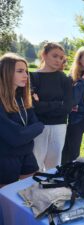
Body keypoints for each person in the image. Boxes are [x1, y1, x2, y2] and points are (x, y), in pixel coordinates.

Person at [0, 53, 44, 187]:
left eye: (25, 71)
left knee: (32, 190)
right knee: (6, 200)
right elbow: (15, 136)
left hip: (27, 153)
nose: (26, 75)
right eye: (20, 71)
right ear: (6, 73)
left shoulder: (21, 98)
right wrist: (36, 127)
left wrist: (31, 129)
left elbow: (35, 124)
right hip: (5, 158)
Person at [30, 42, 73, 171]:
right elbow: (33, 106)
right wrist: (57, 104)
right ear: (44, 55)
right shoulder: (33, 77)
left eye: (61, 58)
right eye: (55, 56)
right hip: (38, 126)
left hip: (59, 126)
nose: (58, 60)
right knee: (35, 163)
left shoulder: (64, 79)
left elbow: (67, 107)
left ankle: (52, 190)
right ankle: (34, 190)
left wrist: (42, 105)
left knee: (54, 165)